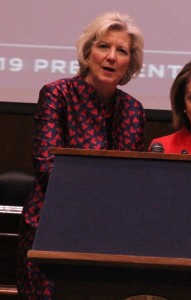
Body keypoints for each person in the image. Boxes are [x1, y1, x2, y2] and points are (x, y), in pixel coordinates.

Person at [17, 12, 146, 299]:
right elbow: (47, 167)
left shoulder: (134, 110)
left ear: (129, 64)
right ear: (88, 53)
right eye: (103, 47)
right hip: (51, 228)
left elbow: (134, 179)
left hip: (111, 234)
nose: (111, 57)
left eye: (121, 51)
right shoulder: (57, 95)